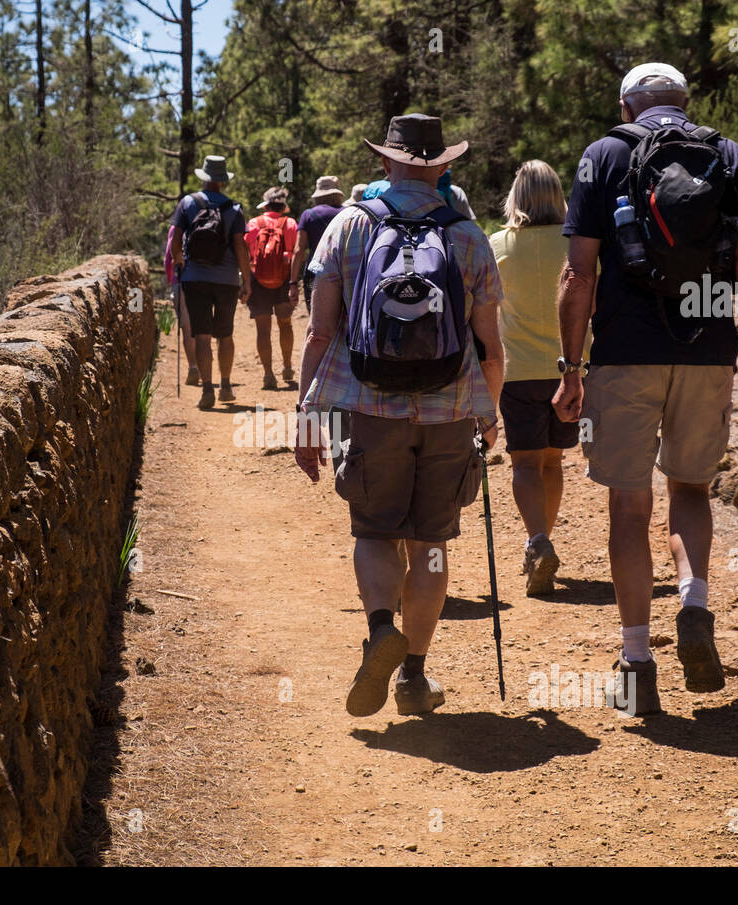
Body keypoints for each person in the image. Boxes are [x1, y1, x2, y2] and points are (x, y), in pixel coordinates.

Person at [552, 63, 738, 716]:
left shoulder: (604, 154)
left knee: (628, 507)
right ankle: (694, 602)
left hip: (624, 355)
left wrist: (571, 368)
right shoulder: (727, 154)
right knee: (689, 489)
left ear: (627, 105)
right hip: (709, 351)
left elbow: (577, 273)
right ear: (684, 102)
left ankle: (636, 659)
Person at [295, 113, 505, 717]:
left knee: (375, 531)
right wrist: (486, 415)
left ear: (385, 162)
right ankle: (414, 674)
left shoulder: (349, 227)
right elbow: (490, 346)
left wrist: (308, 416)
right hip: (446, 413)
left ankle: (382, 626)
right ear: (442, 167)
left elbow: (319, 332)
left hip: (369, 407)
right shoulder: (467, 236)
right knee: (432, 545)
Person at [489, 160, 589, 596]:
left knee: (525, 463)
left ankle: (537, 541)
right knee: (553, 461)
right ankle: (541, 543)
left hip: (517, 371)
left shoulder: (499, 246)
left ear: (517, 197)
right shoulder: (579, 246)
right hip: (571, 370)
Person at [168, 155, 252, 409]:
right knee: (225, 335)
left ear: (204, 177)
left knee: (202, 336)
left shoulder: (187, 203)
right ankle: (225, 386)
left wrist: (180, 261)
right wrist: (246, 280)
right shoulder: (234, 209)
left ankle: (207, 390)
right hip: (226, 280)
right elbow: (240, 246)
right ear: (223, 181)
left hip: (195, 278)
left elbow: (175, 240)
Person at [245, 186, 299, 389]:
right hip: (284, 279)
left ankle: (268, 374)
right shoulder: (291, 223)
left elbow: (246, 250)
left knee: (263, 329)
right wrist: (294, 283)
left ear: (266, 205)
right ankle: (287, 367)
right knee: (285, 324)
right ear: (283, 205)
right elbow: (295, 252)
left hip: (258, 280)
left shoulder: (253, 223)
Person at [290, 175, 345, 315]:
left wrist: (293, 283)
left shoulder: (308, 215)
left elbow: (298, 250)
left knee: (316, 318)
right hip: (343, 270)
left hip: (316, 272)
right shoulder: (348, 212)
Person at [163, 223, 199, 385]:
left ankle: (193, 366)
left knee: (187, 327)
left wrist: (172, 280)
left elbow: (169, 258)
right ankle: (206, 369)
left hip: (182, 281)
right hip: (204, 281)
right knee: (202, 328)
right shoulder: (207, 224)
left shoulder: (176, 228)